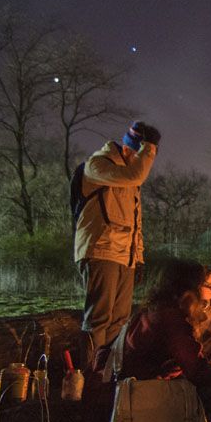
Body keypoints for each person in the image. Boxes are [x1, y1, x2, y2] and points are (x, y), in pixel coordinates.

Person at [112, 259, 211, 422]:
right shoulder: (173, 321)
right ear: (189, 290)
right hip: (153, 397)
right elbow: (200, 375)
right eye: (201, 286)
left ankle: (187, 419)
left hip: (141, 390)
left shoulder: (151, 311)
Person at [74, 120, 161, 362]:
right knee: (99, 318)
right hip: (101, 249)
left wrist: (139, 257)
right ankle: (88, 375)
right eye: (139, 154)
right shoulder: (97, 165)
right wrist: (150, 148)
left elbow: (135, 222)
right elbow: (135, 175)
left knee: (120, 319)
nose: (141, 162)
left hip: (125, 255)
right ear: (127, 149)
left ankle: (105, 374)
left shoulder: (129, 178)